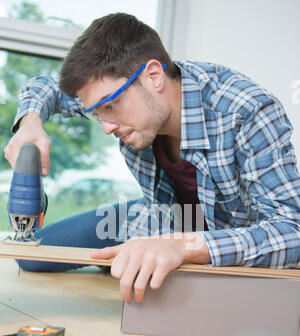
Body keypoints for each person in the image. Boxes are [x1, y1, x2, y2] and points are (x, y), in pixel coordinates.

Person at [4, 13, 300, 303]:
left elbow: (293, 231)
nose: (106, 127)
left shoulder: (246, 111)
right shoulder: (114, 90)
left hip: (223, 240)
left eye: (110, 106)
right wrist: (30, 124)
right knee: (32, 257)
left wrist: (181, 247)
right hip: (164, 220)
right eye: (96, 114)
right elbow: (42, 87)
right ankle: (129, 259)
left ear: (154, 76)